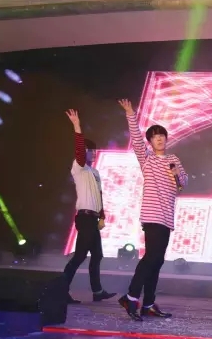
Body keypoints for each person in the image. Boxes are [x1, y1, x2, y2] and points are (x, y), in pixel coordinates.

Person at [117, 99, 188, 321]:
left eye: (162, 136)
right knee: (151, 258)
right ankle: (130, 296)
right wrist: (131, 114)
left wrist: (177, 173)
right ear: (150, 141)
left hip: (167, 218)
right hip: (152, 216)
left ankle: (148, 304)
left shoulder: (173, 159)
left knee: (157, 261)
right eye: (155, 136)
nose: (159, 139)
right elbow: (136, 140)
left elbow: (183, 183)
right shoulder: (146, 158)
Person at [62, 109, 116, 304]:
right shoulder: (79, 167)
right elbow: (79, 151)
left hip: (93, 218)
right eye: (88, 150)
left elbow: (99, 196)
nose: (91, 153)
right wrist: (77, 126)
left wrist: (102, 216)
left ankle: (97, 291)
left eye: (93, 150)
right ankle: (61, 290)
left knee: (97, 255)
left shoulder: (95, 172)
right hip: (84, 217)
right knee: (79, 256)